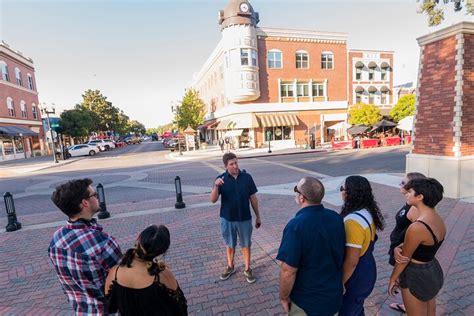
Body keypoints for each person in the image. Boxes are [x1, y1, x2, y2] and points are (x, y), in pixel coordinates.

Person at [48, 178, 122, 314]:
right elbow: (123, 279)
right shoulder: (103, 242)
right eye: (94, 195)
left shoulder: (55, 240)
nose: (97, 197)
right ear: (84, 203)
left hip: (82, 311)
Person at [277, 177, 346, 315]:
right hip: (333, 298)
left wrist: (284, 297)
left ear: (302, 198)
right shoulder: (336, 218)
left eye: (296, 190)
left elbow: (288, 271)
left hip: (307, 303)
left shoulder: (296, 226)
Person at [388, 178, 446, 316]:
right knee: (430, 311)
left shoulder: (417, 227)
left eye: (410, 192)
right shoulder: (437, 218)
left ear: (420, 197)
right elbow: (425, 245)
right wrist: (401, 246)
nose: (406, 194)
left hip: (416, 274)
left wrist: (393, 278)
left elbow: (404, 259)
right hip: (432, 269)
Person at [105, 225, 187, 315]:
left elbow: (110, 306)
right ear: (161, 251)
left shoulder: (114, 273)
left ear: (138, 237)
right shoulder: (162, 276)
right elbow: (180, 308)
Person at [210, 152, 262, 283]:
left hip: (244, 218)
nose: (235, 166)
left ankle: (247, 268)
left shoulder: (247, 178)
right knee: (230, 244)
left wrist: (258, 216)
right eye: (231, 164)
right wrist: (216, 186)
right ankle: (230, 266)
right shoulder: (221, 179)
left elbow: (253, 198)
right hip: (227, 219)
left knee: (246, 244)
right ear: (225, 166)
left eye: (236, 163)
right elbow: (213, 200)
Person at [339, 175, 385, 315]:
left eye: (342, 188)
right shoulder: (366, 211)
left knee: (347, 311)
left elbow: (352, 261)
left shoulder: (352, 221)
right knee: (356, 308)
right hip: (367, 270)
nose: (341, 192)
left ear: (349, 193)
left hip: (356, 276)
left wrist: (340, 283)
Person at [388, 172, 426, 313]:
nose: (400, 185)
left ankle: (412, 308)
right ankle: (407, 305)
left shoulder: (415, 209)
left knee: (407, 284)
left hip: (404, 254)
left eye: (404, 183)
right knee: (403, 283)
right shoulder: (409, 203)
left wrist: (403, 249)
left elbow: (420, 234)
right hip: (399, 249)